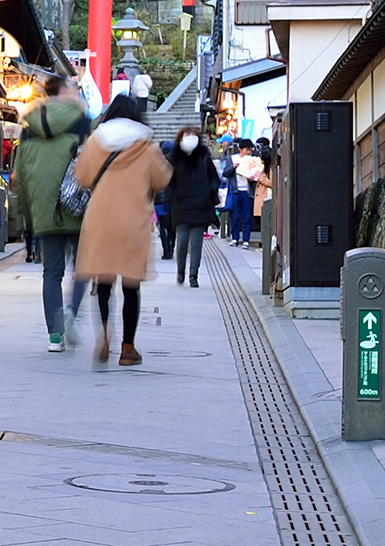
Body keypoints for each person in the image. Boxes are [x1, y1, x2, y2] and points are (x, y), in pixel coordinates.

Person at [73, 95, 171, 366]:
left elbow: (81, 177)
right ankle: (128, 348)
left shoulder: (96, 141)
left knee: (103, 283)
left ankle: (104, 335)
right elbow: (162, 178)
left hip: (100, 219)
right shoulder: (146, 144)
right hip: (133, 220)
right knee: (131, 286)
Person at [11, 75, 91, 352]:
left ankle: (54, 336)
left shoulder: (28, 125)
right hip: (78, 207)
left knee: (51, 273)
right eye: (75, 86)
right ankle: (70, 312)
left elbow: (19, 177)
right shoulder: (82, 122)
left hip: (45, 211)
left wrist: (27, 218)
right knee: (82, 269)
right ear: (65, 91)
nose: (78, 90)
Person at [165, 127, 220, 287]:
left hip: (201, 205)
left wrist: (210, 190)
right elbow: (168, 183)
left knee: (197, 243)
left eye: (193, 136)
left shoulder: (204, 157)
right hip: (181, 205)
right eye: (187, 135)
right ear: (180, 139)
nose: (190, 138)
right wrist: (168, 202)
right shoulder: (173, 158)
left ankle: (193, 275)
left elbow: (214, 178)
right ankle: (181, 270)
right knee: (182, 240)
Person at [231, 142, 264, 246]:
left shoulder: (253, 160)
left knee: (247, 217)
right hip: (236, 191)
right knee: (235, 216)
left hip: (247, 191)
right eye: (247, 150)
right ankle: (234, 238)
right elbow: (226, 173)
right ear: (240, 149)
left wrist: (252, 178)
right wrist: (233, 167)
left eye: (250, 150)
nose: (249, 152)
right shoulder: (233, 159)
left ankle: (246, 239)